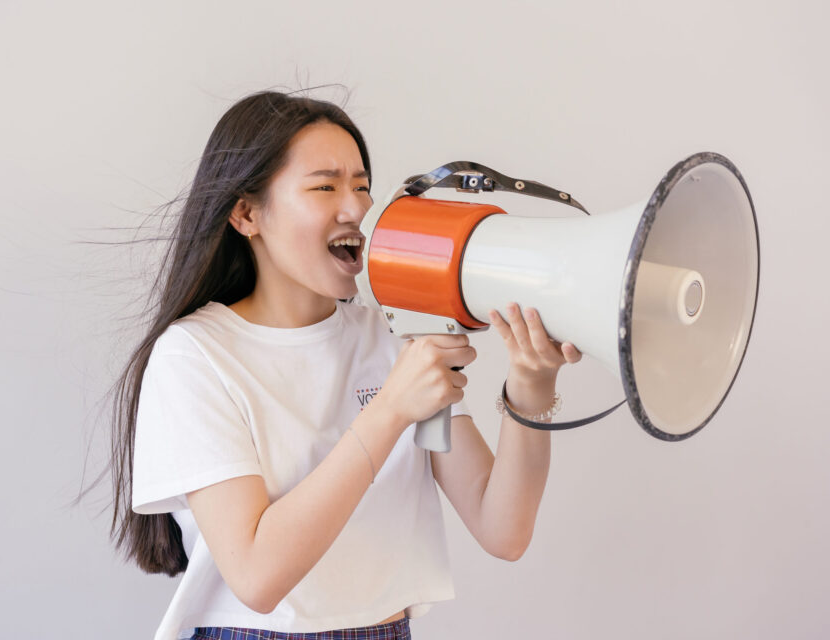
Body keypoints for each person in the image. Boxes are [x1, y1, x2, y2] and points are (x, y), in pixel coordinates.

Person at [108, 89, 582, 640]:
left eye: (361, 186)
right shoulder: (195, 354)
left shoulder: (390, 336)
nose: (357, 207)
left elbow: (504, 530)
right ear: (246, 214)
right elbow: (258, 576)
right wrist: (390, 410)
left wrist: (530, 388)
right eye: (325, 186)